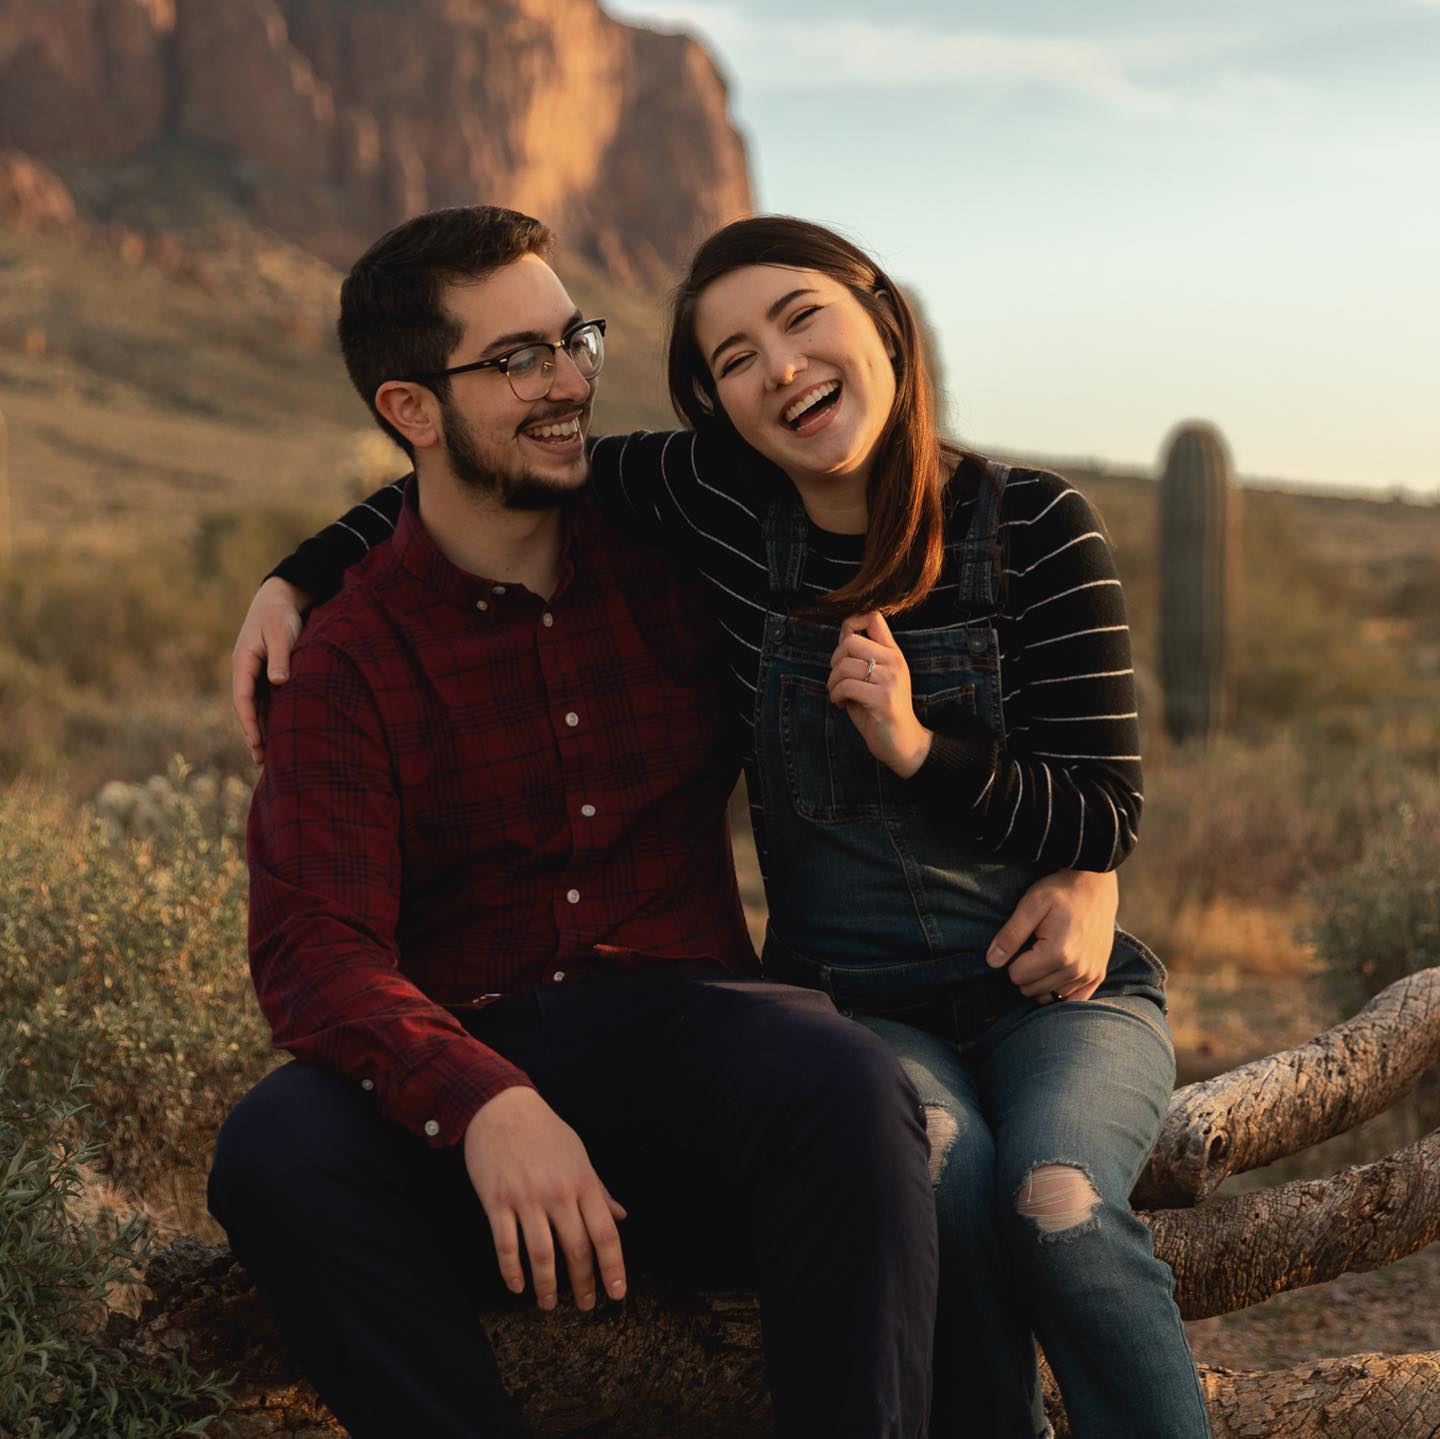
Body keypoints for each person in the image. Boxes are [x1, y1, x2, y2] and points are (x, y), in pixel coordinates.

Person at [234, 215, 1213, 1438]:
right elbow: (313, 949)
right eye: (519, 358)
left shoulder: (689, 549)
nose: (568, 382)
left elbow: (1091, 781)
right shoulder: (360, 654)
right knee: (273, 1146)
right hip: (491, 1066)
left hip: (722, 1041)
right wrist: (482, 1099)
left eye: (572, 341)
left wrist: (1083, 861)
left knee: (886, 1110)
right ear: (414, 407)